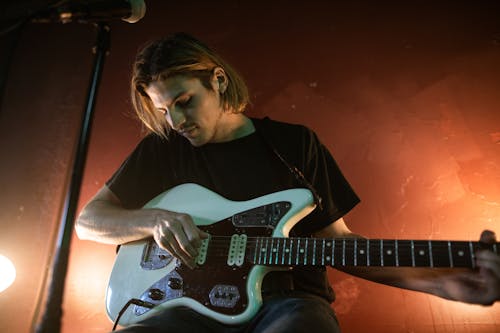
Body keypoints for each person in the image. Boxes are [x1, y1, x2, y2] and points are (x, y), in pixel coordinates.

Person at [75, 32, 500, 333]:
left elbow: (343, 246)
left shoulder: (293, 144)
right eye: (164, 109)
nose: (176, 121)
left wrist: (441, 284)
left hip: (287, 304)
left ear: (217, 80)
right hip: (185, 309)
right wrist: (154, 220)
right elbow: (88, 222)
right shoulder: (163, 148)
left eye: (185, 102)